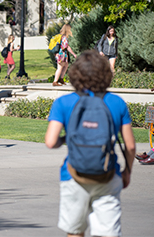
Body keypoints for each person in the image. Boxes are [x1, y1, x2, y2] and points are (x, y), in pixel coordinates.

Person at [45, 50, 135, 237]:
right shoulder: (117, 103)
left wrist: (65, 139)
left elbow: (50, 141)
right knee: (107, 232)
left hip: (73, 175)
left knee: (75, 230)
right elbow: (131, 146)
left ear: (75, 74)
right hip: (108, 175)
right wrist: (127, 172)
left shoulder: (64, 102)